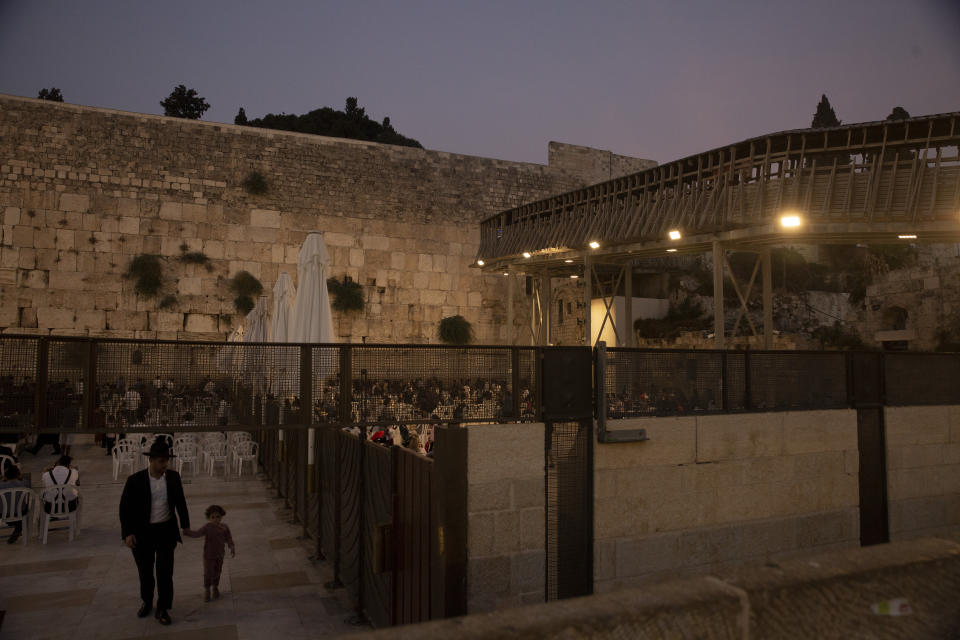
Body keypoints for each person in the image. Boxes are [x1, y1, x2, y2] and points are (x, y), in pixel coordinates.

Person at [119, 439, 190, 626]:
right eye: (161, 461)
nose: (164, 464)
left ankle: (163, 607)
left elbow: (181, 502)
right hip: (143, 532)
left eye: (166, 460)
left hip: (165, 530)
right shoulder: (135, 481)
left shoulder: (173, 477)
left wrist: (185, 525)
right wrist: (127, 533)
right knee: (145, 571)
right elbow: (125, 509)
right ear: (151, 461)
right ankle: (147, 601)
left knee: (165, 572)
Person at [183, 505, 236, 602]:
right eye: (213, 517)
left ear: (221, 516)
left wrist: (232, 547)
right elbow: (197, 533)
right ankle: (207, 590)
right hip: (208, 556)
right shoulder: (207, 527)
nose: (216, 519)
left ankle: (215, 587)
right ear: (209, 518)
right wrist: (188, 532)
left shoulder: (224, 527)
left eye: (218, 517)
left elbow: (229, 538)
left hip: (220, 555)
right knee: (208, 573)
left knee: (217, 572)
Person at [0, 464, 29, 543]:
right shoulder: (25, 483)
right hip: (20, 512)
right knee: (24, 510)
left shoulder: (1, 485)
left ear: (5, 476)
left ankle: (18, 527)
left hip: (2, 513)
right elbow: (25, 480)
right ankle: (19, 527)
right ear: (18, 474)